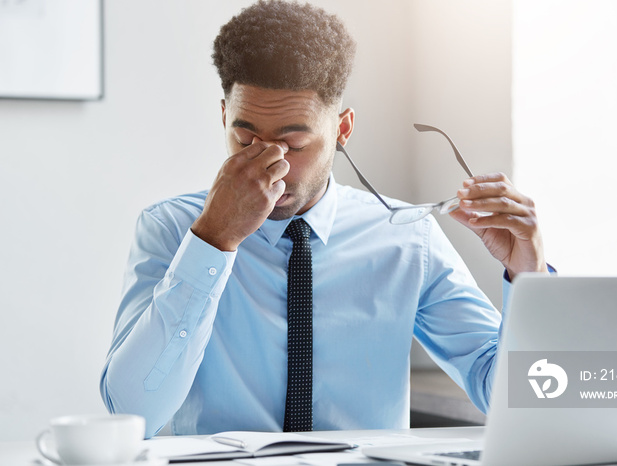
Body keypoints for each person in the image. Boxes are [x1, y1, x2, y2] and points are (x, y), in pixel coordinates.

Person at [100, 0, 548, 439]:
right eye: (244, 138)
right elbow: (134, 412)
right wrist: (213, 240)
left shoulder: (408, 240)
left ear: (342, 129)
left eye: (294, 145)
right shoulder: (173, 230)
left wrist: (528, 277)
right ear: (223, 117)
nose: (269, 164)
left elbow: (520, 400)